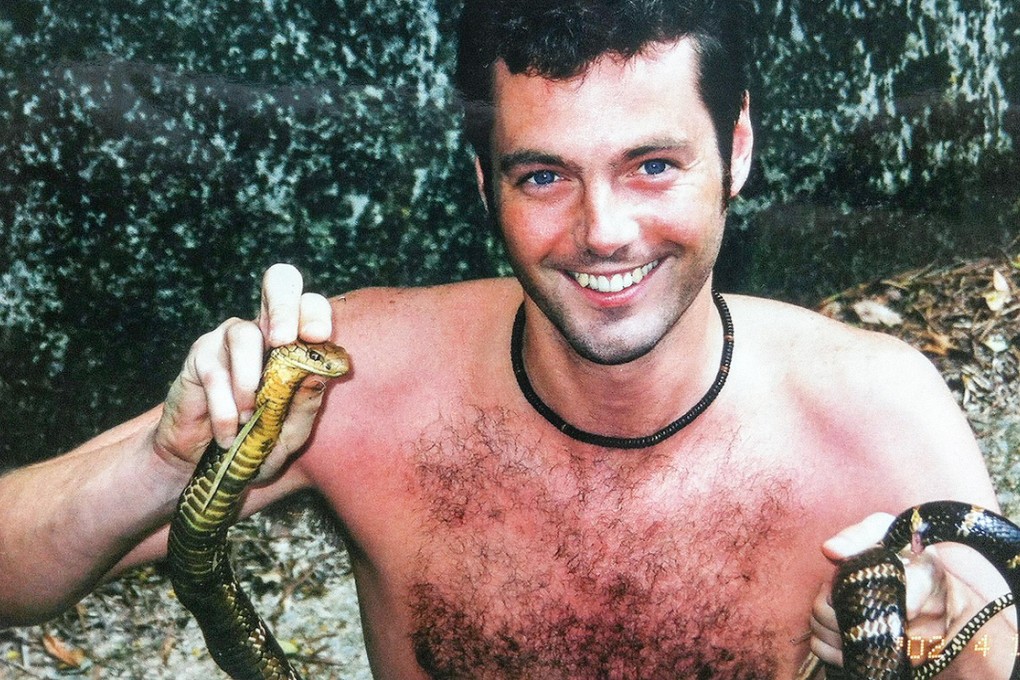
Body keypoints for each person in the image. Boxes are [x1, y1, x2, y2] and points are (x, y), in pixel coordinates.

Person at [0, 0, 1014, 677]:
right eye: (544, 175)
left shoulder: (878, 418)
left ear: (736, 147)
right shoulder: (353, 380)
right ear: (485, 183)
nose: (602, 229)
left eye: (652, 164)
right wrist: (161, 459)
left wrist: (953, 647)